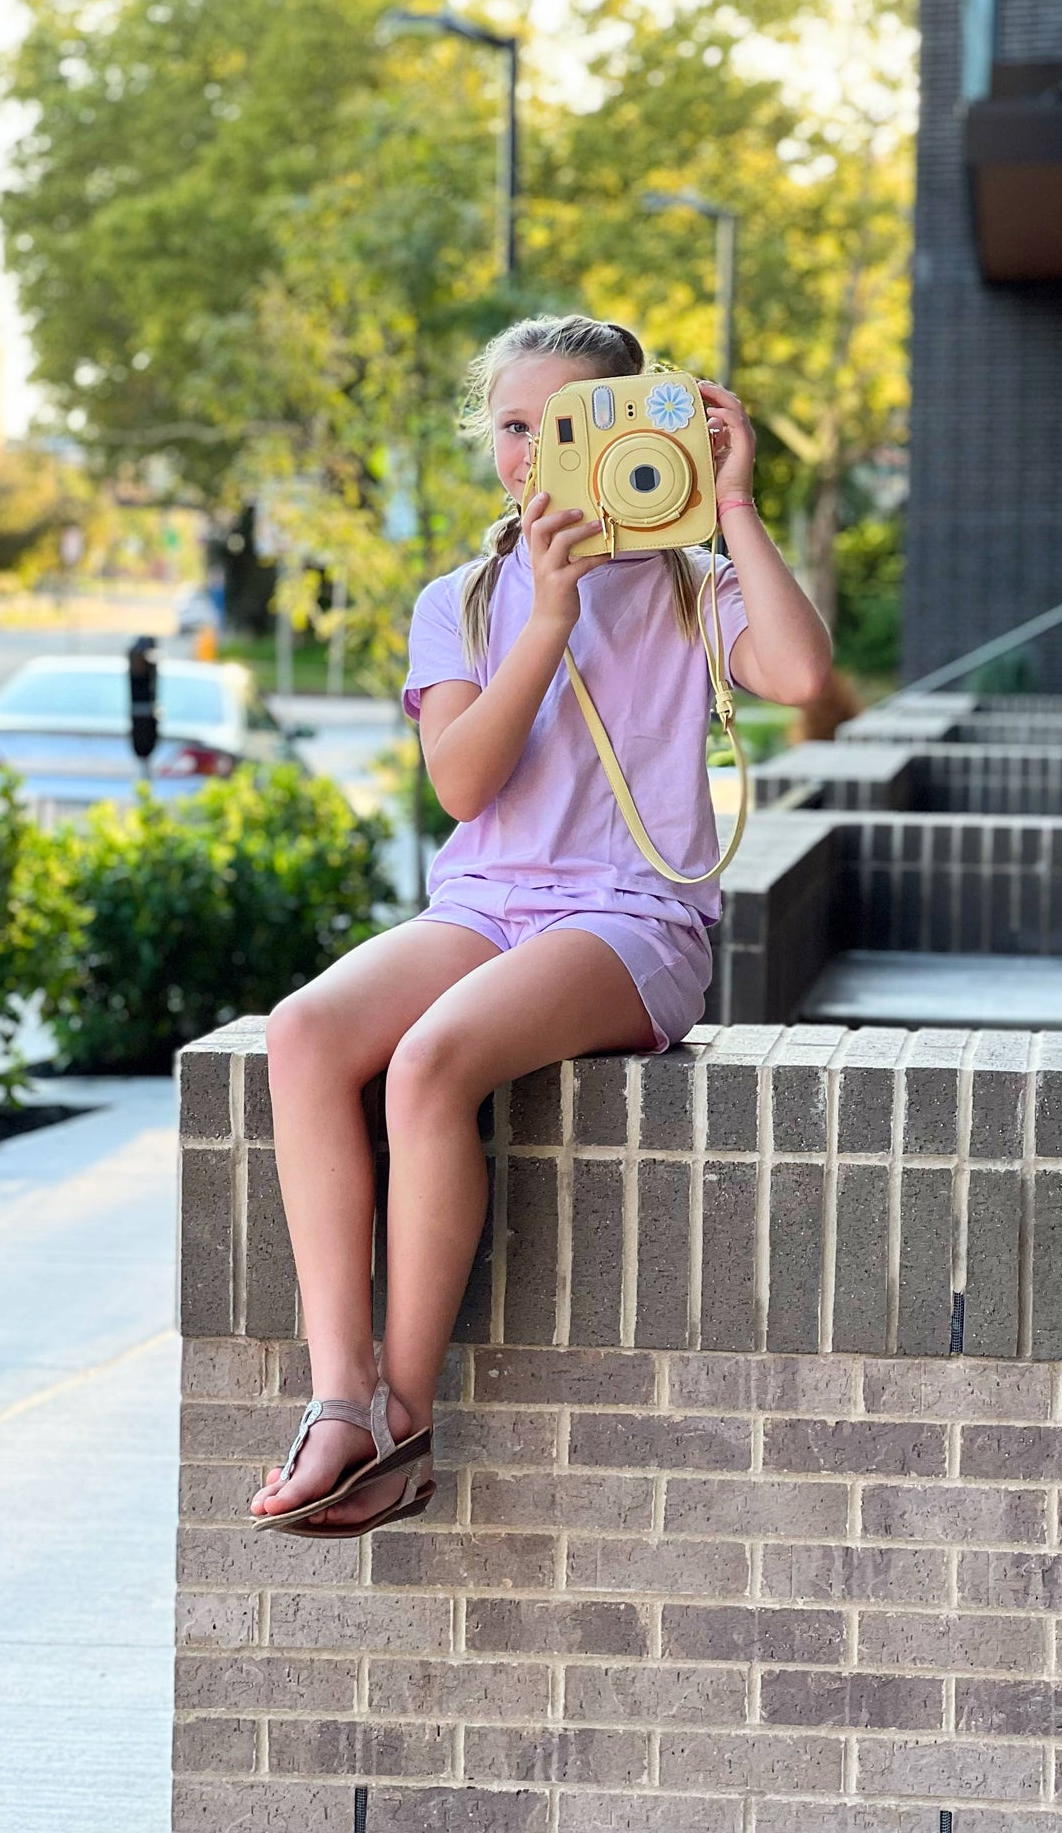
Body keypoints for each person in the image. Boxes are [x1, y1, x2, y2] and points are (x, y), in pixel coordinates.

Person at [250, 313, 832, 1536]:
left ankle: (403, 1418)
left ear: (627, 433)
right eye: (516, 427)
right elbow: (462, 787)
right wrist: (546, 619)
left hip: (632, 920)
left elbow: (799, 676)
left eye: (568, 427)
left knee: (430, 1063)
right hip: (486, 902)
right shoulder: (462, 600)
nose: (535, 455)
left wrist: (731, 503)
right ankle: (337, 1394)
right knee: (302, 1034)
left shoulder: (688, 587)